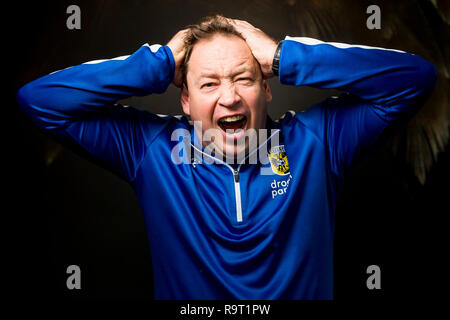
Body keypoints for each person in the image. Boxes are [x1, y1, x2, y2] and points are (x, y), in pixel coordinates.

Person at [17, 14, 437, 299]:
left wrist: (282, 56)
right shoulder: (151, 151)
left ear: (267, 87)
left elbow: (415, 78)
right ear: (183, 98)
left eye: (243, 78)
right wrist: (157, 63)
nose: (230, 96)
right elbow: (40, 100)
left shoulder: (318, 142)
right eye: (209, 84)